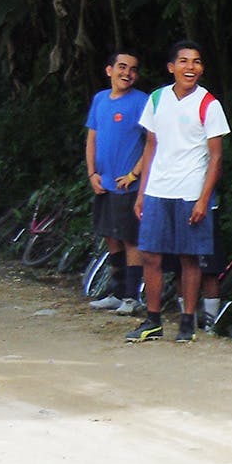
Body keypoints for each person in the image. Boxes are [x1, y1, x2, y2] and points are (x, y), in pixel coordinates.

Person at [125, 39, 230, 344]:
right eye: (184, 61)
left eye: (196, 62)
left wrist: (203, 199)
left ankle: (187, 322)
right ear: (171, 67)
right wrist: (141, 192)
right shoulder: (157, 99)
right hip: (158, 189)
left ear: (201, 68)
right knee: (151, 256)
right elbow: (150, 145)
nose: (190, 67)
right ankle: (153, 321)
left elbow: (216, 157)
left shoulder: (209, 104)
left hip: (190, 192)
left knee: (190, 258)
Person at [85, 50, 149, 315]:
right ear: (109, 70)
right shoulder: (100, 99)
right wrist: (91, 174)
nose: (128, 73)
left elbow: (153, 143)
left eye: (133, 69)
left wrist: (134, 174)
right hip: (104, 182)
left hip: (129, 186)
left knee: (130, 238)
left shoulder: (142, 101)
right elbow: (92, 138)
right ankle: (116, 291)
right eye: (122, 67)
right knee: (111, 236)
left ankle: (132, 297)